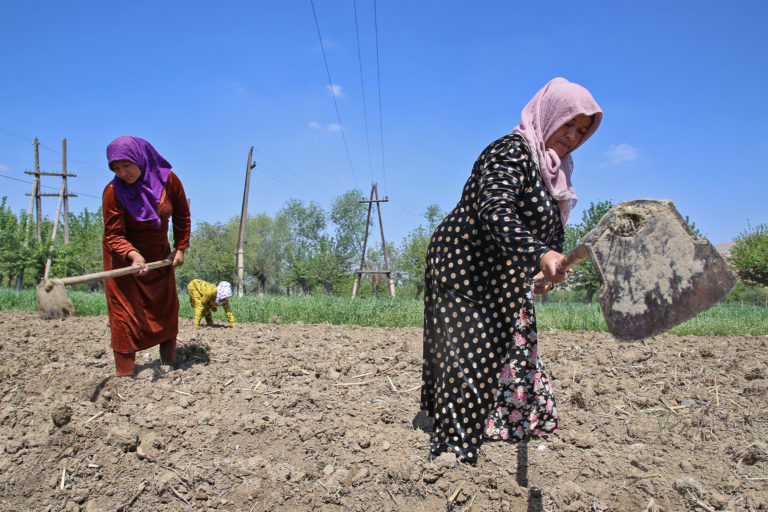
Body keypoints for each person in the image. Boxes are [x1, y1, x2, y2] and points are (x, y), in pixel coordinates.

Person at [419, 77, 602, 464]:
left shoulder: (555, 173)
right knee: (470, 350)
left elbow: (533, 235)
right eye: (568, 123)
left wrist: (537, 273)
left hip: (500, 269)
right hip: (464, 262)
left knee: (508, 344)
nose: (572, 136)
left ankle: (497, 421)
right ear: (550, 114)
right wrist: (539, 253)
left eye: (582, 131)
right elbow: (495, 210)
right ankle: (454, 451)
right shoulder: (512, 150)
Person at [102, 136, 191, 376]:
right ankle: (124, 376)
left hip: (159, 257)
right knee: (124, 317)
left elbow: (182, 214)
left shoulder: (168, 181)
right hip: (123, 261)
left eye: (126, 165)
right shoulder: (113, 192)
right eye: (115, 168)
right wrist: (132, 254)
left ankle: (169, 363)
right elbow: (113, 234)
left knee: (166, 309)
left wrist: (181, 247)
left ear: (140, 158)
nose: (122, 172)